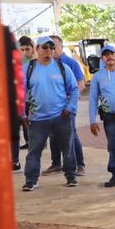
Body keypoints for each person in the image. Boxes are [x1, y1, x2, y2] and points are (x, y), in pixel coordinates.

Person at [21, 36, 79, 191]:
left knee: (68, 148)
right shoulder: (28, 68)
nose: (49, 51)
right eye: (45, 47)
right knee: (34, 151)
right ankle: (31, 180)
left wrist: (70, 108)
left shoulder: (62, 68)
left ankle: (71, 176)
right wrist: (22, 114)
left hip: (61, 117)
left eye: (52, 48)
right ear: (37, 49)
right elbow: (20, 92)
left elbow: (74, 89)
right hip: (37, 119)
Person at [43, 37, 87, 177]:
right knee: (53, 135)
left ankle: (80, 165)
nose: (51, 49)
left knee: (71, 135)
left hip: (67, 107)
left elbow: (80, 84)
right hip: (52, 108)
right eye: (48, 47)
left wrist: (69, 102)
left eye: (54, 46)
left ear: (61, 47)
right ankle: (56, 164)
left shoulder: (70, 63)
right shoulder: (46, 64)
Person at [87, 44, 115, 188]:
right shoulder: (98, 76)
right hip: (110, 117)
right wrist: (92, 120)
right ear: (102, 58)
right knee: (113, 145)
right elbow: (93, 98)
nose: (109, 57)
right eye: (106, 55)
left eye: (112, 53)